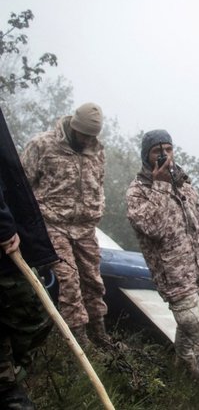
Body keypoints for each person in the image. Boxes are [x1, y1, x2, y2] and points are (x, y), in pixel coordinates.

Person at [126, 129, 199, 410]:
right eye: (157, 151)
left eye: (168, 148)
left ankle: (181, 366)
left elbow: (198, 228)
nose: (164, 155)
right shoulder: (138, 192)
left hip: (196, 272)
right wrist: (161, 185)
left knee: (188, 331)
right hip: (174, 280)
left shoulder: (186, 186)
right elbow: (154, 229)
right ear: (146, 155)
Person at [21, 103, 111, 348]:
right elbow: (22, 185)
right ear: (73, 127)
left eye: (93, 136)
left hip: (85, 229)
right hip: (52, 225)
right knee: (68, 279)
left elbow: (99, 184)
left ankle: (99, 333)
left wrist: (97, 208)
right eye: (84, 134)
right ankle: (79, 341)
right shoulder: (42, 145)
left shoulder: (97, 151)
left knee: (93, 281)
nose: (88, 140)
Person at [1, 108, 58, 409]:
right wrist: (4, 223)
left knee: (35, 315)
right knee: (29, 311)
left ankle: (10, 378)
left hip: (14, 231)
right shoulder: (44, 145)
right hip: (10, 234)